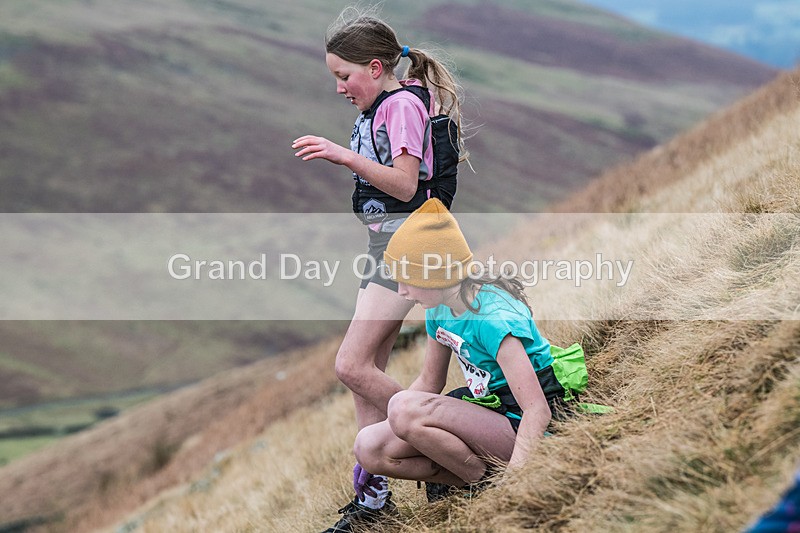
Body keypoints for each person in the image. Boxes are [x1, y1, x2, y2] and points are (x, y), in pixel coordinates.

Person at [291, 8, 467, 532]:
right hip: (388, 245)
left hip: (414, 244)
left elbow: (405, 186)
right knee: (362, 374)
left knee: (351, 366)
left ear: (373, 67)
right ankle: (373, 501)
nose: (340, 88)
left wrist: (342, 156)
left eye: (343, 76)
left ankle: (455, 436)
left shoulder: (401, 108)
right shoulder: (388, 103)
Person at [352, 198, 575, 516]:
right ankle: (476, 481)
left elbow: (537, 410)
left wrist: (517, 480)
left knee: (402, 408)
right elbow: (430, 381)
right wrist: (376, 440)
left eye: (407, 277)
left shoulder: (492, 319)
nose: (400, 291)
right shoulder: (439, 310)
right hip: (489, 414)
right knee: (369, 446)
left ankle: (485, 485)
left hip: (534, 425)